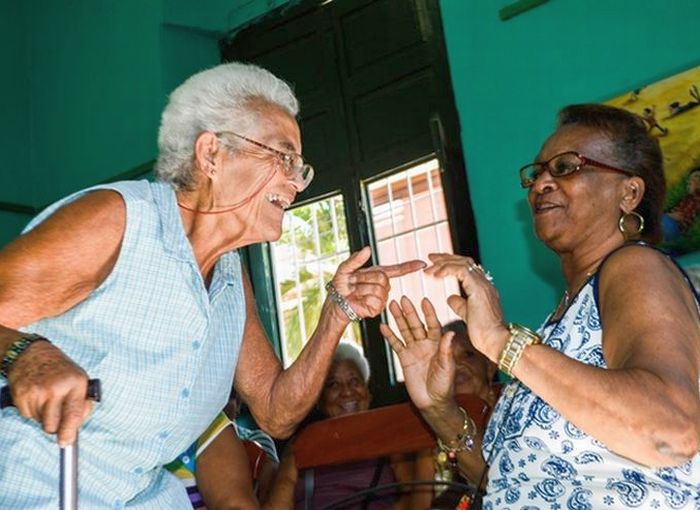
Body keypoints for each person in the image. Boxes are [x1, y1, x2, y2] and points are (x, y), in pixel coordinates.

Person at [0, 62, 424, 509]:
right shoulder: (120, 220)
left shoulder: (227, 271)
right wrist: (22, 353)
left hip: (141, 495)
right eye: (284, 158)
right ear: (211, 155)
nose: (296, 183)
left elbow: (276, 412)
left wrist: (335, 314)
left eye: (301, 169)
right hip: (34, 486)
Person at [383, 104, 700, 509]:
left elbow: (671, 430)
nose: (540, 184)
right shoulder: (561, 322)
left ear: (629, 192)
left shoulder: (635, 267)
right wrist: (438, 408)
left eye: (566, 167)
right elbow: (509, 481)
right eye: (537, 173)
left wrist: (501, 342)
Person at [265, 341, 429, 509]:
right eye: (333, 384)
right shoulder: (303, 444)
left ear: (368, 392)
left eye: (354, 381)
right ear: (320, 401)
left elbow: (415, 501)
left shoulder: (388, 437)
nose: (347, 392)